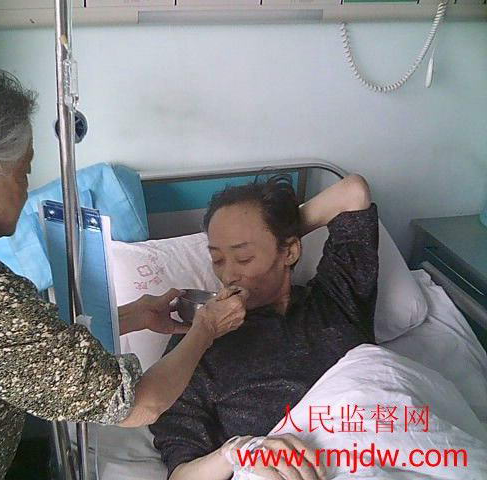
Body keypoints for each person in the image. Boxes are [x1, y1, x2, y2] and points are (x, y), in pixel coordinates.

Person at [0, 55, 249, 480]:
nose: (26, 192)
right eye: (23, 173)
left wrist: (131, 316)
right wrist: (206, 327)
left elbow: (2, 346)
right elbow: (139, 403)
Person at [149, 174, 379, 480]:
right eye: (217, 259)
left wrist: (280, 231)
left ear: (291, 252)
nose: (228, 275)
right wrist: (238, 451)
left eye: (244, 257)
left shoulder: (337, 296)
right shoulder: (198, 344)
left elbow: (353, 192)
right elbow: (182, 475)